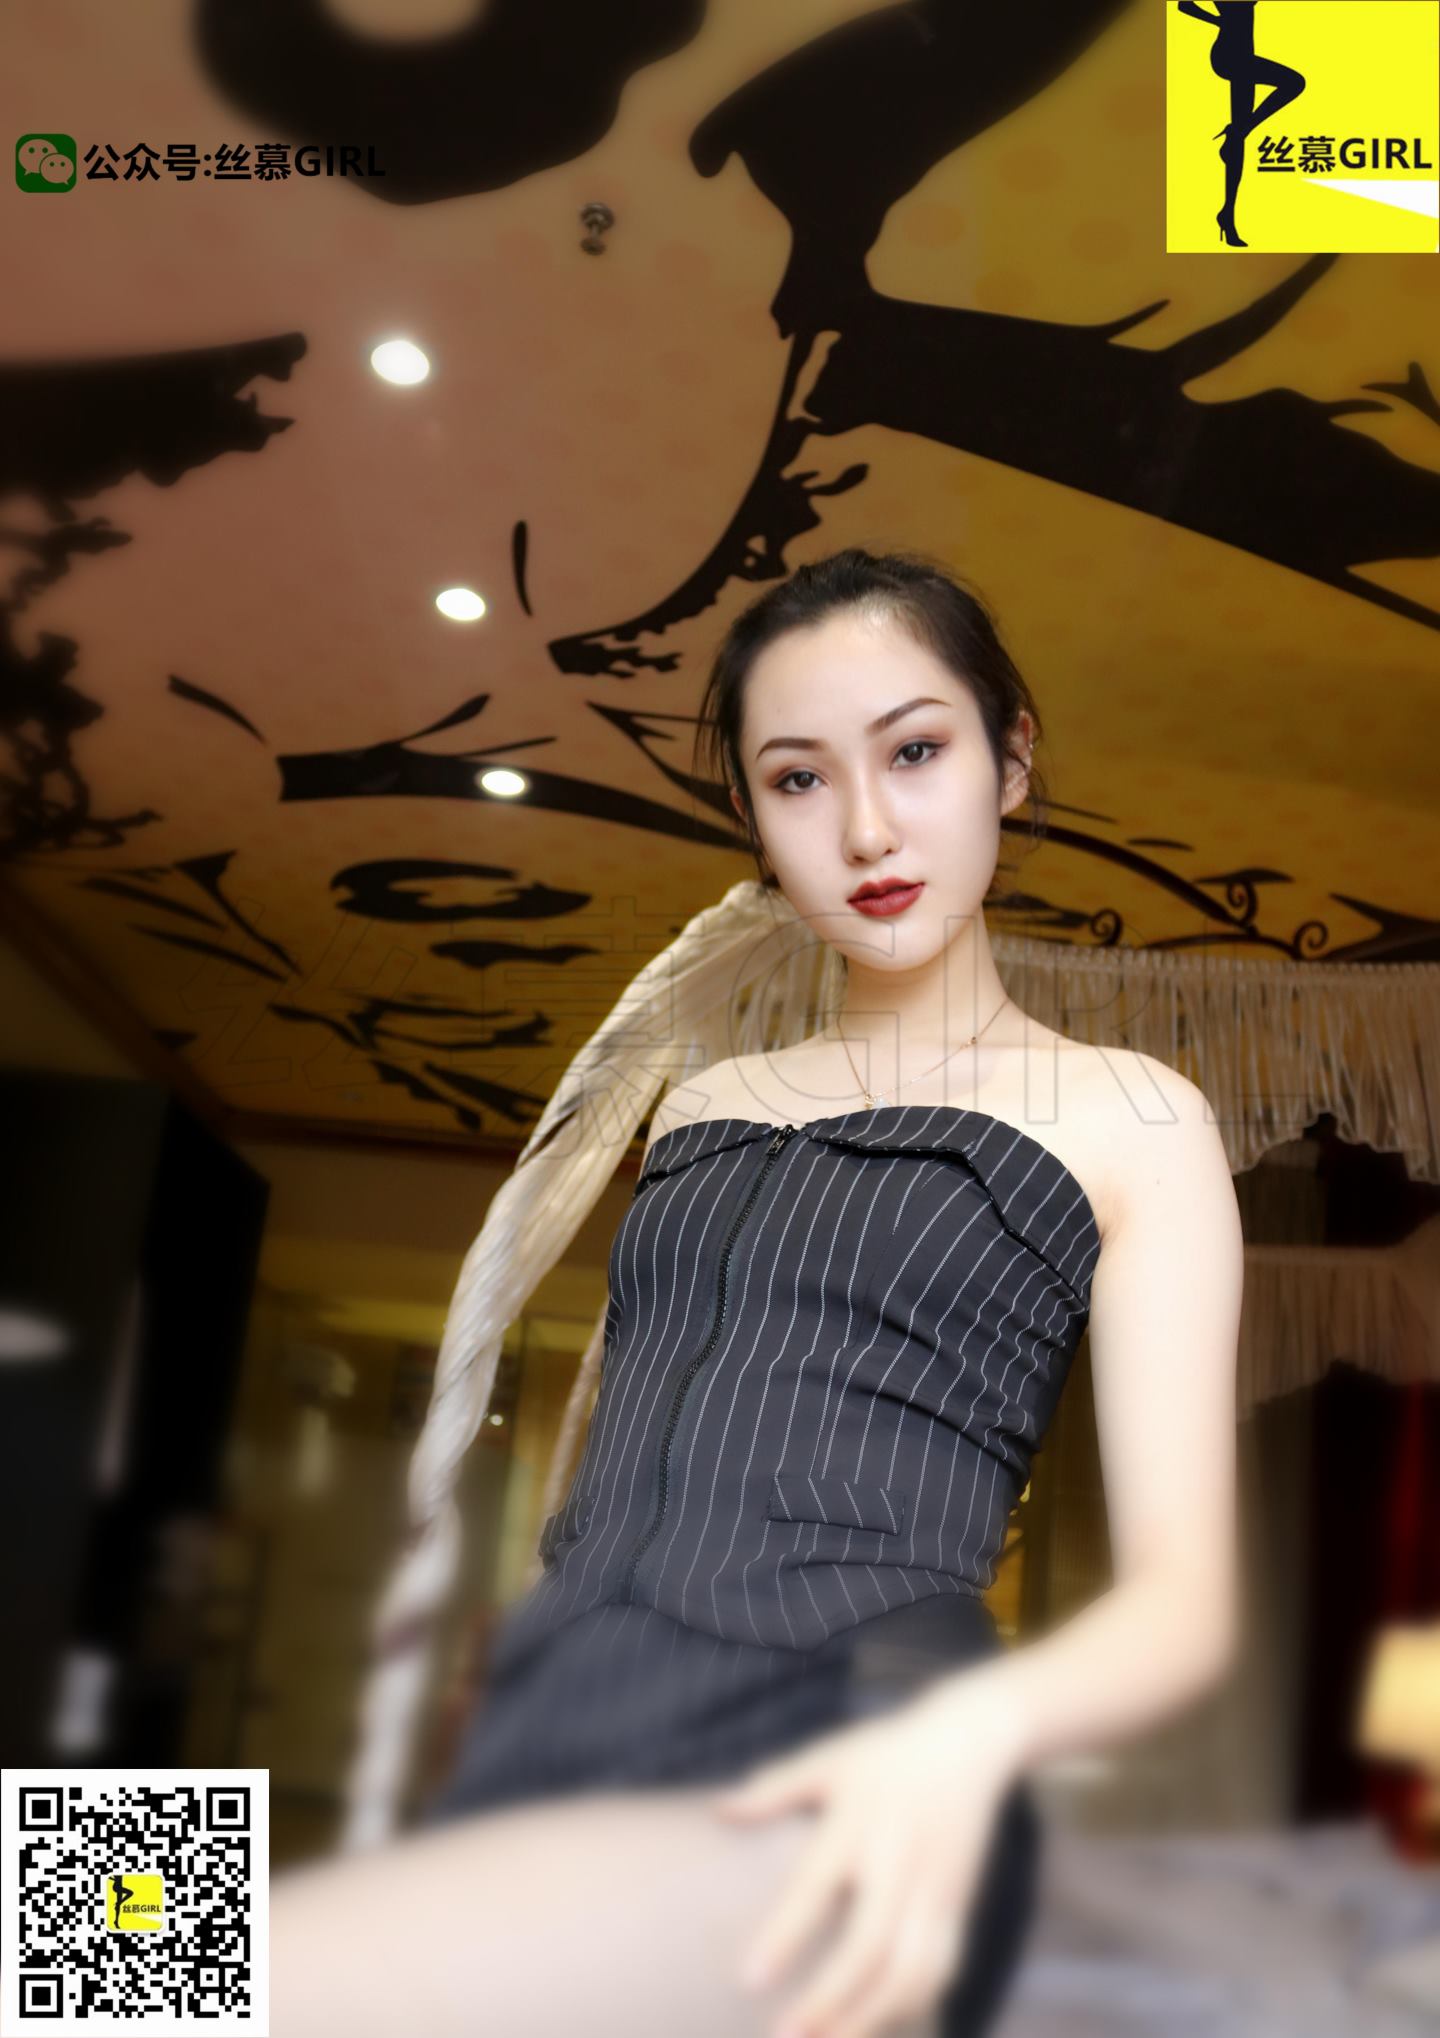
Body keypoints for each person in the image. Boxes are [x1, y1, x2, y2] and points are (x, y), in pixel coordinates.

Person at [269, 547, 1243, 2038]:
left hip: (851, 1744)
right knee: (129, 1939)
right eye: (798, 778)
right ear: (754, 817)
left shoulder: (1133, 1116)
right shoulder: (704, 1104)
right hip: (563, 1719)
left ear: (1011, 759)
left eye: (915, 752)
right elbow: (612, 1446)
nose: (865, 829)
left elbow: (1186, 1605)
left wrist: (967, 1736)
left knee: (166, 1953)